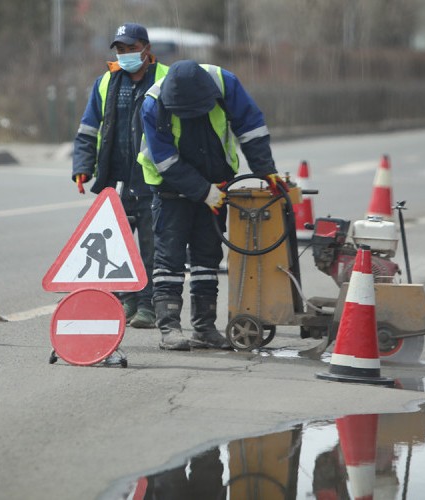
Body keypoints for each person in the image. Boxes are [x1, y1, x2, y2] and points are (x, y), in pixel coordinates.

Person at [137, 60, 288, 350]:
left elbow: (251, 128)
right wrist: (203, 192)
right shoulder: (154, 103)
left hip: (217, 184)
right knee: (169, 259)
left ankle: (204, 328)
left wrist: (265, 168)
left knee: (207, 257)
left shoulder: (225, 84)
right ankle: (169, 328)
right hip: (171, 190)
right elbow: (165, 159)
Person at [72, 23, 168, 329]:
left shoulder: (167, 78)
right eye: (121, 50)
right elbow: (89, 128)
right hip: (116, 181)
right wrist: (83, 166)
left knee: (152, 249)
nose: (125, 55)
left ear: (146, 49)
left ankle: (148, 305)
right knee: (116, 248)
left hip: (154, 182)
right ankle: (125, 300)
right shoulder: (106, 82)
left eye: (131, 48)